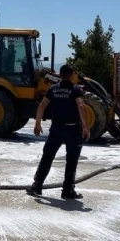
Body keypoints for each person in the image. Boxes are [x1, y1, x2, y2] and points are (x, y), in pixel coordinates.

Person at [27, 64, 91, 199]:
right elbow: (80, 105)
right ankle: (67, 190)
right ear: (72, 74)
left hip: (56, 129)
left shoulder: (53, 89)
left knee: (47, 157)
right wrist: (85, 127)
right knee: (71, 161)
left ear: (60, 75)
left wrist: (37, 124)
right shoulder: (75, 89)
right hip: (73, 130)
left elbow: (42, 106)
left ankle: (37, 186)